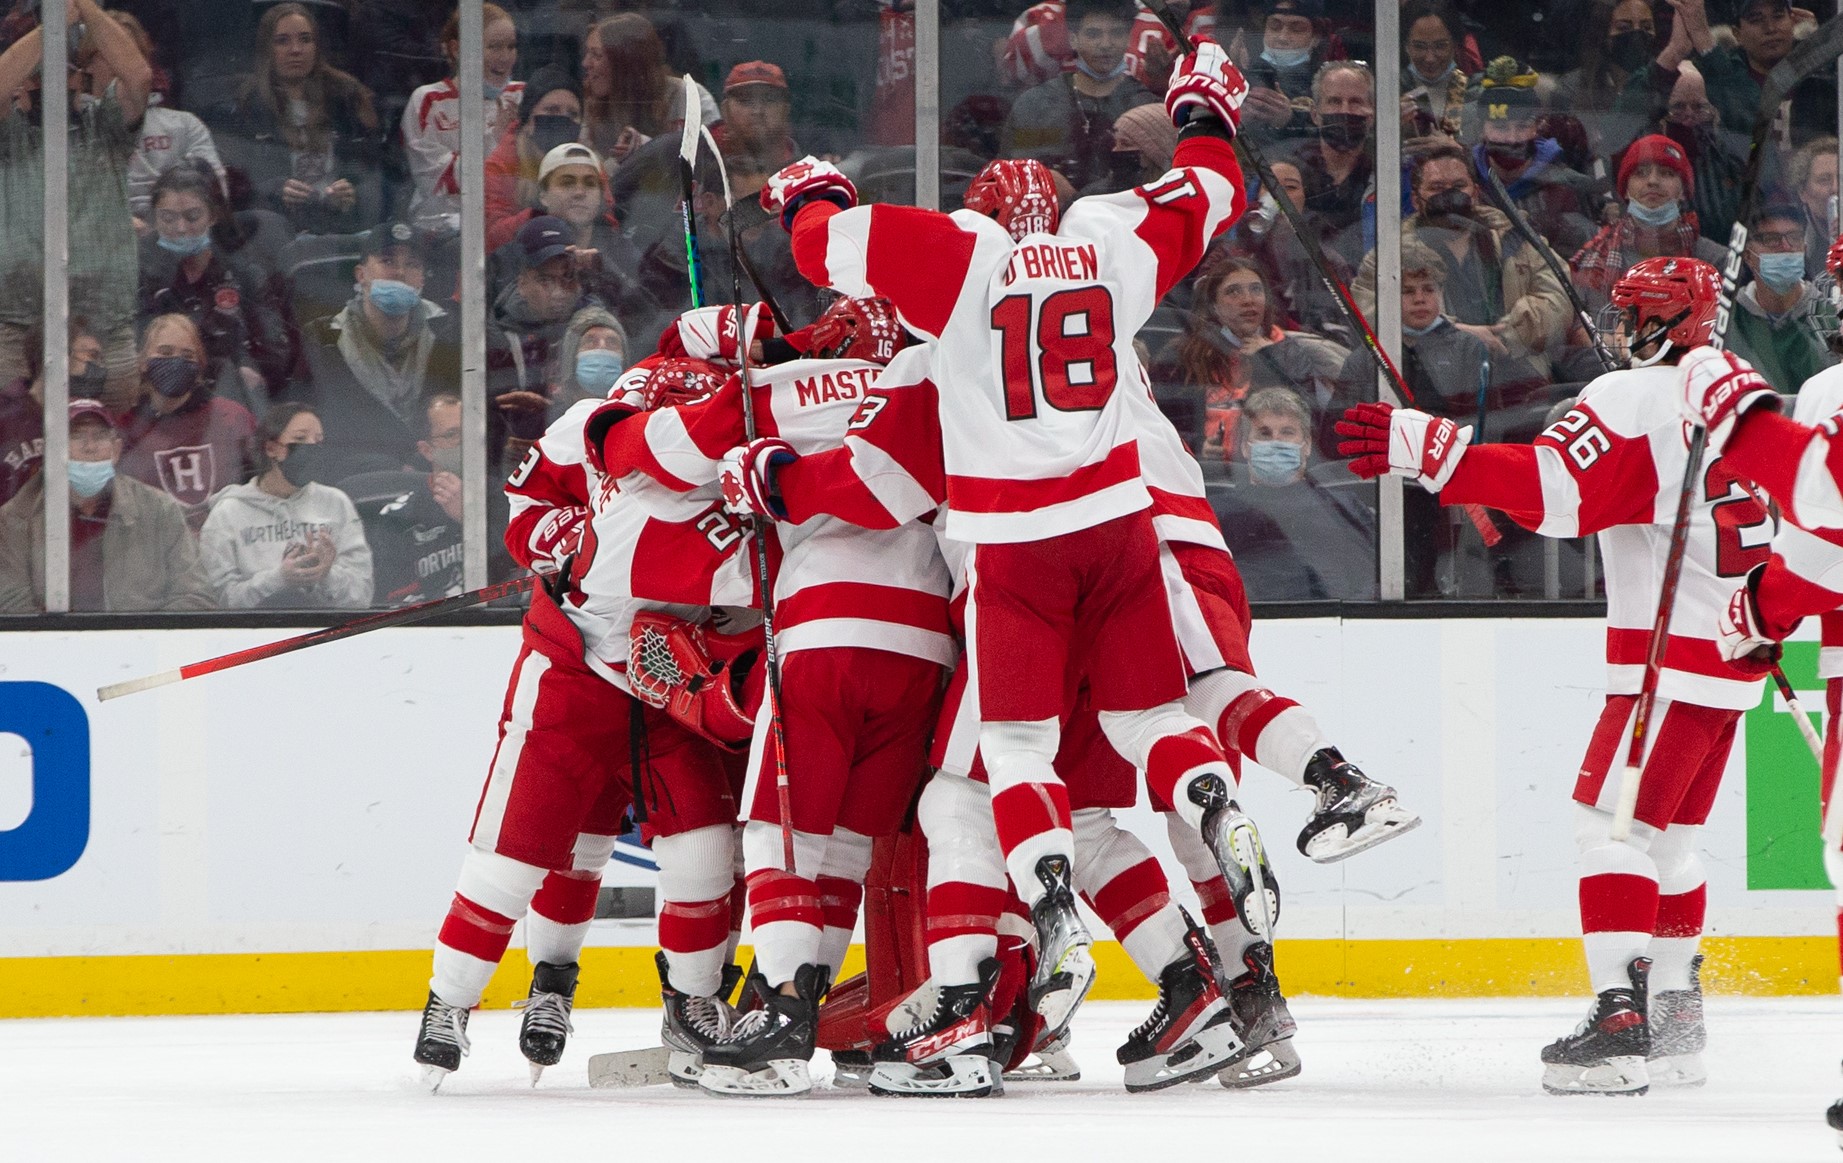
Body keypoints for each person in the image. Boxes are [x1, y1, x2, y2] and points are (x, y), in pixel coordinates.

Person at [748, 40, 1258, 1072]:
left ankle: (972, 1004)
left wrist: (775, 478)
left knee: (962, 795)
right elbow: (1207, 186)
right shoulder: (1111, 273)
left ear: (971, 216)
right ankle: (1203, 981)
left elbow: (881, 474)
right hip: (1134, 557)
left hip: (1026, 583)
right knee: (1098, 800)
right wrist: (1203, 107)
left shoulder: (955, 293)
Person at [1338, 256, 1772, 1096]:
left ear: (1668, 323)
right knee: (1668, 842)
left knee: (1607, 835)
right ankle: (1675, 1014)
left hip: (1661, 666)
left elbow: (1558, 489)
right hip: (1729, 665)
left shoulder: (1636, 396)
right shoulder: (1737, 391)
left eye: (1634, 313)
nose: (1617, 329)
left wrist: (1434, 452)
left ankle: (1617, 1020)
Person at [592, 301, 953, 1097]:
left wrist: (606, 430)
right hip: (928, 644)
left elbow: (662, 454)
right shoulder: (948, 390)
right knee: (846, 847)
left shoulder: (793, 383)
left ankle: (781, 1013)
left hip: (825, 629)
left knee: (783, 834)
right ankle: (788, 999)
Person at [413, 356, 752, 1091]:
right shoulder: (591, 426)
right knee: (516, 855)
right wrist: (561, 537)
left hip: (666, 688)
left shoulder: (733, 462)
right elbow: (525, 510)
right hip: (572, 673)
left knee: (701, 849)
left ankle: (690, 1005)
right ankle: (452, 1000)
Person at [0, 0, 151, 412]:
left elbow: (138, 76)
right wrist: (54, 23)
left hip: (106, 324)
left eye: (61, 78)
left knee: (110, 442)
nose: (48, 88)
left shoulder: (107, 128)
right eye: (36, 79)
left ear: (80, 82)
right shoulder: (6, 137)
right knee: (13, 445)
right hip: (16, 323)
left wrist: (82, 6)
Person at [1354, 140, 1570, 397]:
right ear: (1415, 198)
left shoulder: (1517, 236)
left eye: (1458, 186)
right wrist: (1456, 336)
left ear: (1475, 192)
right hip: (1431, 388)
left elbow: (1559, 296)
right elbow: (1369, 314)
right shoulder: (1389, 256)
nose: (1448, 194)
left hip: (1519, 380)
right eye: (1436, 187)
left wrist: (1506, 336)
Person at [0, 398, 214, 613]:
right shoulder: (17, 516)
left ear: (117, 450)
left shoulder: (159, 509)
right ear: (52, 450)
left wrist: (145, 639)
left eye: (100, 437)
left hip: (141, 641)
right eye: (76, 436)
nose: (90, 447)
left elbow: (195, 594)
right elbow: (11, 602)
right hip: (54, 644)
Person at [292, 220, 459, 480]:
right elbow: (306, 437)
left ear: (423, 278)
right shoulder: (320, 341)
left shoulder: (451, 333)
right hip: (354, 486)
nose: (400, 273)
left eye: (412, 265)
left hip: (442, 485)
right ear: (361, 274)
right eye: (388, 261)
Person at [212, 2, 382, 236]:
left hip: (343, 224)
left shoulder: (346, 97)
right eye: (282, 41)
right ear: (266, 49)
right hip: (276, 230)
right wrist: (275, 190)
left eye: (305, 39)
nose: (296, 50)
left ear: (317, 47)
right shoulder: (245, 106)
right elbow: (235, 186)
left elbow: (374, 171)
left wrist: (354, 192)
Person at [136, 161, 294, 406]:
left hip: (230, 401)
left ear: (212, 215)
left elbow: (276, 352)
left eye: (192, 216)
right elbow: (131, 347)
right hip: (155, 400)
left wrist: (245, 368)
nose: (180, 228)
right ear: (155, 218)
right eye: (168, 218)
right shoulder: (140, 270)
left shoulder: (243, 271)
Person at [1156, 257, 1348, 458]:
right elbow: (1161, 424)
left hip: (1267, 474)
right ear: (1213, 305)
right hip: (1203, 475)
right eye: (1234, 291)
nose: (1248, 299)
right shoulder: (1183, 356)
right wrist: (1196, 447)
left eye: (1256, 289)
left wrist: (1269, 357)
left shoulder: (1289, 352)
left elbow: (1307, 422)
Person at [198, 401, 373, 610]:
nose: (311, 447)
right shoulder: (228, 513)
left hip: (326, 629)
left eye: (318, 441)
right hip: (255, 632)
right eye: (300, 438)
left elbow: (362, 596)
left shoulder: (336, 503)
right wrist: (280, 578)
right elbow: (218, 601)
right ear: (271, 448)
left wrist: (326, 575)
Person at [1212, 386, 1376, 601]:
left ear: (1307, 446)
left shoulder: (1344, 510)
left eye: (1287, 432)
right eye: (1264, 433)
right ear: (1245, 447)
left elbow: (1372, 582)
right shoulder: (1216, 516)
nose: (1276, 442)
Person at [485, 142, 656, 336]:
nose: (579, 193)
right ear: (543, 195)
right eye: (567, 182)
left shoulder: (621, 253)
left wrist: (605, 274)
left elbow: (649, 318)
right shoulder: (511, 256)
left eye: (590, 183)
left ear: (601, 197)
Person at [115, 313, 257, 531]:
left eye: (187, 355)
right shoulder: (126, 428)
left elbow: (262, 487)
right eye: (165, 352)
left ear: (200, 365)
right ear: (143, 362)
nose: (176, 361)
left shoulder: (231, 417)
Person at [1002, 0, 1157, 194]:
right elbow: (1009, 180)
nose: (1105, 44)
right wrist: (1046, 181)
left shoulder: (1148, 110)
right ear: (1073, 39)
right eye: (1093, 34)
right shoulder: (1033, 106)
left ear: (1128, 38)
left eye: (1116, 33)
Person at [400, 3, 522, 234]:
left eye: (511, 46)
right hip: (442, 233)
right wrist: (495, 138)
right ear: (457, 49)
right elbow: (436, 185)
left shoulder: (524, 96)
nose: (505, 57)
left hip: (510, 226)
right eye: (494, 47)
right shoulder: (428, 101)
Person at [1570, 134, 1725, 310]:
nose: (1652, 181)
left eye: (1667, 173)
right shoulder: (1592, 260)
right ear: (1626, 190)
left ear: (1683, 191)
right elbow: (1584, 328)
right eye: (1640, 173)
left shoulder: (1716, 262)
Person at [1466, 57, 1599, 257]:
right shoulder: (1465, 181)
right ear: (1481, 130)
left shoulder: (1570, 186)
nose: (1511, 139)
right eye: (1500, 127)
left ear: (1538, 127)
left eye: (1522, 126)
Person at [106, 9, 226, 226]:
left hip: (182, 231)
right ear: (88, 63)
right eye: (109, 53)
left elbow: (215, 192)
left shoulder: (185, 124)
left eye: (129, 53)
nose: (122, 65)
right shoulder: (71, 132)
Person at [1725, 199, 1835, 394]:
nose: (1785, 246)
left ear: (1805, 248)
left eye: (1794, 237)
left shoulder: (1830, 313)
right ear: (1748, 256)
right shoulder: (1729, 317)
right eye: (1772, 239)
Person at [578, 13, 715, 169]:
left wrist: (650, 151)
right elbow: (585, 172)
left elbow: (713, 164)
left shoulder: (689, 97)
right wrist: (618, 163)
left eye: (596, 55)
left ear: (627, 61)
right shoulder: (594, 105)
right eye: (587, 53)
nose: (585, 63)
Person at [365, 392, 464, 607]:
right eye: (452, 435)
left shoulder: (509, 496)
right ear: (427, 450)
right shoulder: (397, 518)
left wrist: (468, 519)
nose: (464, 441)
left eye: (468, 432)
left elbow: (517, 572)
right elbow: (390, 598)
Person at [0, 321, 104, 509]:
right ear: (55, 355)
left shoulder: (95, 420)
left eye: (99, 358)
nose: (96, 367)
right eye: (90, 356)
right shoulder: (5, 414)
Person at [1549, 0, 1658, 159]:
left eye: (1646, 27)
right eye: (1624, 28)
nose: (1637, 35)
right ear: (1602, 34)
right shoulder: (1571, 88)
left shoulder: (1665, 80)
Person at [483, 66, 581, 234]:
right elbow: (491, 237)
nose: (563, 119)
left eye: (572, 114)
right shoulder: (500, 165)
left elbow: (608, 225)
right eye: (552, 110)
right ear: (527, 119)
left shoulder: (587, 163)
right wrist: (540, 216)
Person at [1294, 60, 1375, 250]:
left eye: (1356, 102)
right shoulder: (1289, 173)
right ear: (1315, 114)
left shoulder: (1391, 175)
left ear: (1372, 115)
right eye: (1334, 101)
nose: (1345, 110)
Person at [1238, 0, 1327, 139]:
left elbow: (1334, 138)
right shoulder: (1241, 80)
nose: (1282, 38)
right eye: (1274, 26)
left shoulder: (1327, 85)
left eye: (1296, 29)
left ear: (1315, 37)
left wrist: (1289, 121)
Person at [1399, 1, 1471, 141]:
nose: (1430, 58)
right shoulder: (1389, 92)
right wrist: (1391, 124)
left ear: (1455, 45)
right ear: (1405, 46)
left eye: (1440, 46)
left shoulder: (1475, 92)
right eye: (1419, 46)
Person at [1789, 135, 1839, 276]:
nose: (1835, 188)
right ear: (1803, 192)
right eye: (1824, 180)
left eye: (1841, 178)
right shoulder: (1792, 237)